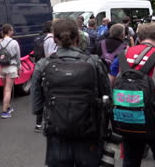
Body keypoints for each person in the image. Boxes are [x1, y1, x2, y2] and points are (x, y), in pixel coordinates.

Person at [31, 19, 111, 167]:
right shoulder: (94, 62)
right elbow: (107, 97)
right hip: (89, 129)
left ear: (54, 39)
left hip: (56, 129)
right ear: (78, 38)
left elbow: (36, 106)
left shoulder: (43, 64)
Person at [109, 24, 155, 167]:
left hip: (129, 119)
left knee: (131, 161)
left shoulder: (123, 55)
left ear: (139, 38)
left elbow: (109, 83)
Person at [0, 24, 21, 119]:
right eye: (12, 30)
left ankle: (7, 107)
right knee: (8, 90)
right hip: (11, 67)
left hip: (1, 68)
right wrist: (19, 67)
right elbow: (18, 57)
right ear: (9, 31)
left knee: (5, 89)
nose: (13, 32)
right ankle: (4, 112)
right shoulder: (14, 42)